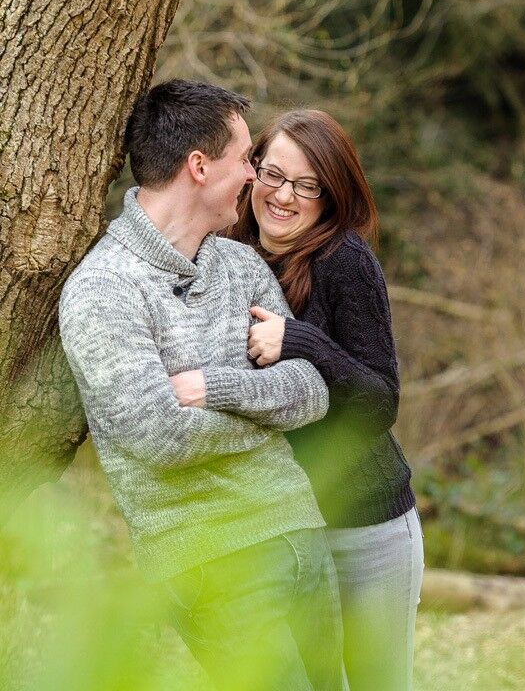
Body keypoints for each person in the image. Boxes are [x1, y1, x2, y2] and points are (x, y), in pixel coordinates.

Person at [58, 81, 345, 691]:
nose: (253, 177)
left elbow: (312, 391)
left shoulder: (240, 265)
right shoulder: (104, 291)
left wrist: (213, 388)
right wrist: (264, 419)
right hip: (212, 562)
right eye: (244, 159)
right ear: (199, 166)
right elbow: (160, 436)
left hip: (300, 533)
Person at [231, 108, 424, 691]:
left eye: (307, 185)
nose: (283, 196)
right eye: (273, 174)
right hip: (282, 535)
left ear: (331, 194)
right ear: (252, 170)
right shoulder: (226, 253)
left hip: (366, 529)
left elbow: (380, 402)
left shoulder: (344, 262)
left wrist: (302, 341)